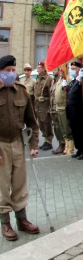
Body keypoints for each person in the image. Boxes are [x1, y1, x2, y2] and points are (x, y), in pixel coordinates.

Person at [0, 55, 40, 240]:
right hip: (0, 145)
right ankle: (5, 223)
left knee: (19, 184)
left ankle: (21, 220)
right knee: (2, 185)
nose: (11, 73)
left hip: (17, 142)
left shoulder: (22, 91)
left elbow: (32, 122)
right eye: (7, 70)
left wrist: (33, 145)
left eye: (12, 70)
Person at [66, 60, 83, 160]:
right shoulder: (73, 81)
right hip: (72, 112)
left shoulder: (82, 81)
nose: (72, 70)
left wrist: (81, 81)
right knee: (75, 132)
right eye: (71, 69)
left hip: (79, 112)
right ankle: (79, 149)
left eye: (74, 69)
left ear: (79, 69)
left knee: (81, 132)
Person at [50, 67, 73, 155]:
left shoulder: (68, 78)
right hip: (58, 107)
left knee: (67, 129)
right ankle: (65, 147)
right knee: (62, 129)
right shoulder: (60, 80)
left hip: (64, 107)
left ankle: (70, 148)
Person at [33, 62, 53, 151]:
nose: (38, 69)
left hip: (45, 103)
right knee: (41, 123)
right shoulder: (38, 78)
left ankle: (49, 141)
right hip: (38, 104)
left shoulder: (48, 79)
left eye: (39, 68)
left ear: (44, 69)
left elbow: (50, 93)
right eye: (37, 68)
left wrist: (50, 106)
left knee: (46, 122)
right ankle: (45, 139)